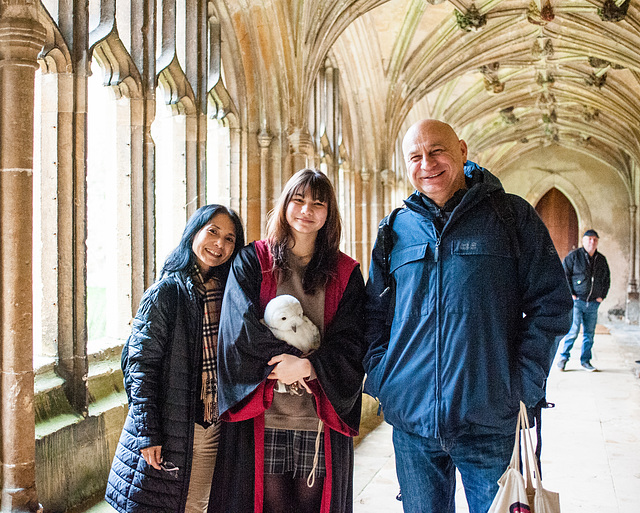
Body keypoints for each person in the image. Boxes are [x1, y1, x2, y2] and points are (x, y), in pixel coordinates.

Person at [363, 119, 573, 513]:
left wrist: (522, 386)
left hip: (489, 419)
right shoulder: (395, 230)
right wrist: (384, 380)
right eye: (415, 156)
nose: (427, 163)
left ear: (462, 150)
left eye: (437, 151)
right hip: (413, 424)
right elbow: (374, 316)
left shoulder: (511, 216)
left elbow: (552, 303)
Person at [209, 169, 366, 513]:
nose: (306, 210)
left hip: (319, 417)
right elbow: (239, 326)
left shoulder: (346, 273)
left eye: (317, 203)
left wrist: (308, 365)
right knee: (270, 505)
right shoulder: (253, 261)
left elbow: (353, 340)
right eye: (298, 200)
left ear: (329, 213)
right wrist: (285, 363)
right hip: (264, 415)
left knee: (313, 506)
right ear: (284, 205)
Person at [105, 204, 245, 513]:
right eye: (212, 232)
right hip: (172, 426)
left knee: (196, 505)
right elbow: (140, 368)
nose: (219, 245)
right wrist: (147, 434)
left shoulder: (231, 294)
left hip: (212, 424)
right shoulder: (166, 292)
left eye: (230, 239)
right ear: (194, 232)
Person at [556, 229, 610, 372]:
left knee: (589, 334)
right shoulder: (574, 256)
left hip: (593, 303)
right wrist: (571, 294)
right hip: (577, 302)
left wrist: (602, 296)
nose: (592, 242)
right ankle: (563, 358)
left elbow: (607, 279)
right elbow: (564, 275)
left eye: (595, 239)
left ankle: (586, 361)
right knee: (573, 331)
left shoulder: (601, 260)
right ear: (583, 241)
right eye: (589, 239)